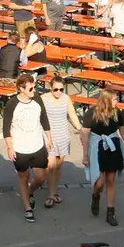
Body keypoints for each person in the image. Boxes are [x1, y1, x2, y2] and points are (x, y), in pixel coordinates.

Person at [82, 89, 124, 226]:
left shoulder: (117, 113)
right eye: (115, 99)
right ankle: (96, 195)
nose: (117, 101)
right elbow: (85, 135)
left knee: (111, 180)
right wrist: (85, 155)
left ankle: (111, 213)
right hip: (97, 147)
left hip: (113, 146)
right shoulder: (91, 113)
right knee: (99, 183)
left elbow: (122, 131)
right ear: (106, 100)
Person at [2, 73, 50, 222]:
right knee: (23, 177)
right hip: (20, 148)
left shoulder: (37, 99)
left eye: (34, 87)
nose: (33, 90)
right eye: (30, 88)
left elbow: (44, 120)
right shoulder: (11, 104)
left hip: (38, 146)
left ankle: (30, 192)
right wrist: (10, 147)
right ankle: (28, 208)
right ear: (21, 89)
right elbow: (6, 129)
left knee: (40, 178)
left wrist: (49, 139)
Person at [39, 75, 81, 209]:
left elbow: (72, 114)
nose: (58, 92)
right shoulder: (44, 99)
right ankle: (51, 195)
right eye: (55, 89)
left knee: (58, 166)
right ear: (50, 88)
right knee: (50, 166)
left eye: (61, 89)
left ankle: (54, 190)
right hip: (49, 136)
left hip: (63, 136)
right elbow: (37, 117)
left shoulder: (66, 98)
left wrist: (79, 128)